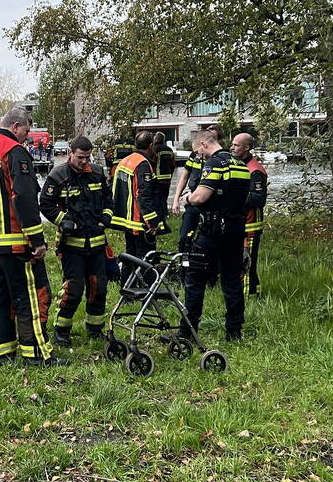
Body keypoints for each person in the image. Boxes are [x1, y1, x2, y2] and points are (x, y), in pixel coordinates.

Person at [0, 108, 62, 367]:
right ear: (16, 126)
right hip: (14, 244)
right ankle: (38, 355)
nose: (27, 137)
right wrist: (37, 240)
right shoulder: (13, 151)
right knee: (31, 298)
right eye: (27, 131)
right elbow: (23, 198)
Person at [39, 136, 113, 347]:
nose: (84, 161)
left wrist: (106, 217)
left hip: (98, 244)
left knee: (99, 288)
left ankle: (95, 329)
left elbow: (109, 199)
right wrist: (64, 220)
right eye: (81, 157)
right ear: (70, 153)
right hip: (72, 246)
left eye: (88, 157)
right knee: (74, 290)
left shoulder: (98, 173)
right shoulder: (58, 175)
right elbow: (45, 204)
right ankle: (61, 332)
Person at [179, 129, 251, 342]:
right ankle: (234, 332)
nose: (199, 156)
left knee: (195, 279)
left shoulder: (215, 163)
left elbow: (201, 197)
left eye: (198, 152)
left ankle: (187, 333)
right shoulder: (240, 165)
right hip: (236, 230)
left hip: (213, 231)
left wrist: (187, 198)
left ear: (203, 144)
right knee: (232, 282)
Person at [110, 130, 162, 284]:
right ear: (151, 145)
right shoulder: (142, 164)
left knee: (129, 256)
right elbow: (143, 195)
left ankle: (127, 288)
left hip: (127, 220)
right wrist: (152, 222)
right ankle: (150, 291)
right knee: (146, 257)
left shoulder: (125, 160)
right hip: (139, 221)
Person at [171, 125, 223, 252]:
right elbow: (184, 177)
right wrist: (176, 199)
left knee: (210, 239)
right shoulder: (195, 155)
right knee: (185, 236)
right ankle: (183, 263)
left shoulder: (221, 160)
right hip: (193, 200)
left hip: (213, 204)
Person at [231, 132, 268, 297]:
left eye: (236, 145)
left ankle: (248, 299)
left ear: (246, 148)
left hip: (250, 225)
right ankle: (252, 293)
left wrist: (232, 193)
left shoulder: (255, 170)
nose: (232, 148)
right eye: (232, 144)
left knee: (246, 263)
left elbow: (258, 199)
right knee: (237, 261)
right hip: (237, 223)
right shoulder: (237, 165)